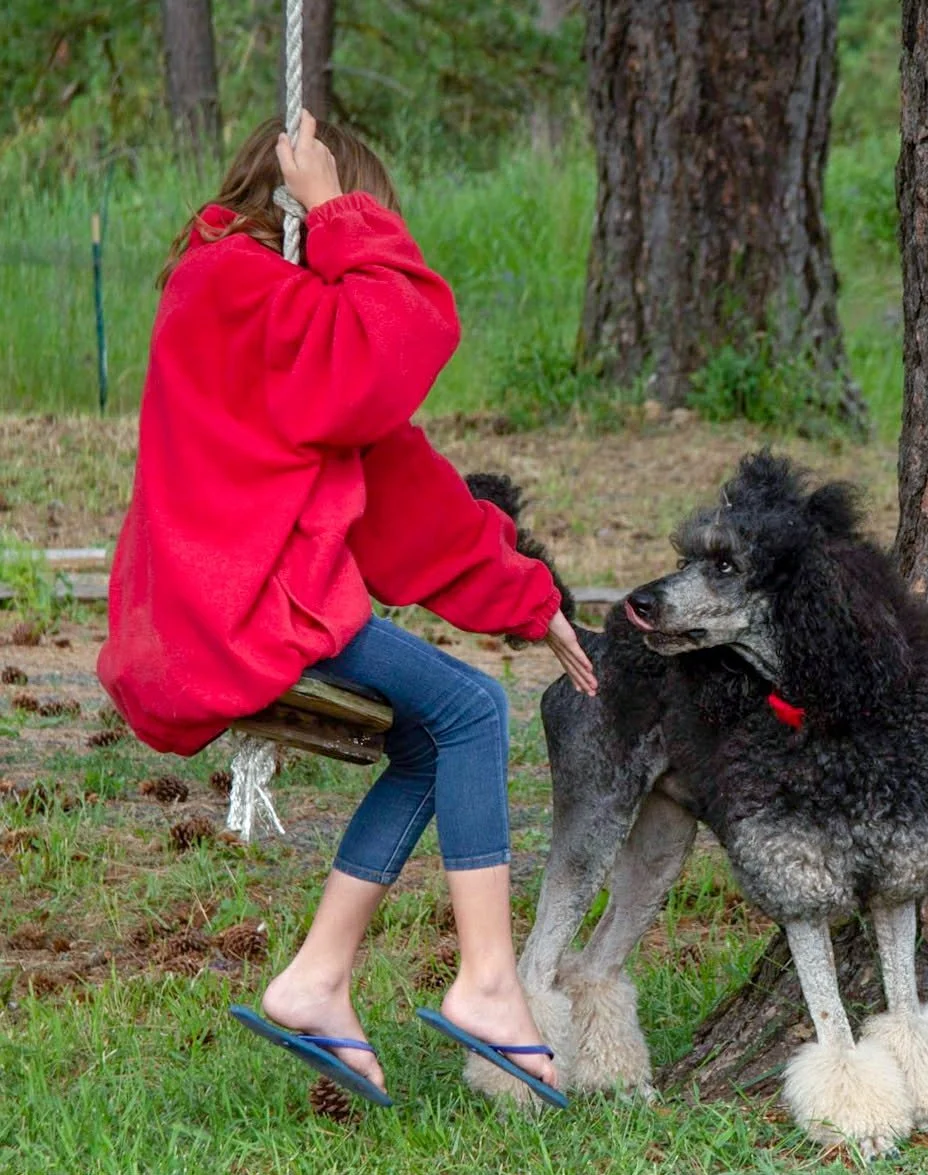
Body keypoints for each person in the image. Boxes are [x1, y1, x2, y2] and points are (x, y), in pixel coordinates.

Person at [98, 110, 597, 1103]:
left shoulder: (282, 323)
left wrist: (524, 597)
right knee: (471, 709)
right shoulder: (233, 285)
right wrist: (337, 209)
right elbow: (398, 337)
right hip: (237, 612)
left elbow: (402, 488)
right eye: (350, 215)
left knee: (430, 737)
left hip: (229, 610)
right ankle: (488, 983)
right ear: (296, 211)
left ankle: (317, 977)